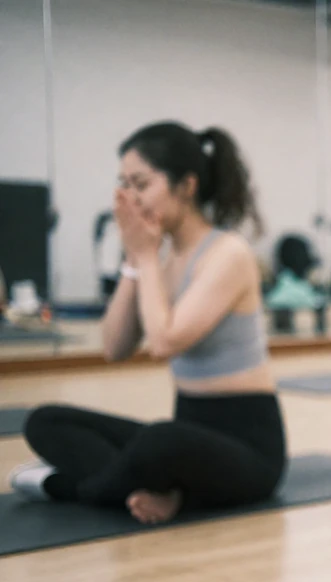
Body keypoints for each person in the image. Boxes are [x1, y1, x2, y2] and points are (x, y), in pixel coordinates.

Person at [7, 122, 287, 524]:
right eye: (124, 185)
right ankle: (156, 491)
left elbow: (163, 342)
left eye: (141, 184)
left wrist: (146, 255)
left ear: (186, 186)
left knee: (160, 441)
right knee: (46, 421)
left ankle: (67, 487)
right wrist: (133, 260)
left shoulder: (228, 254)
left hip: (249, 453)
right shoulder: (162, 259)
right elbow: (114, 347)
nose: (130, 199)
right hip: (188, 435)